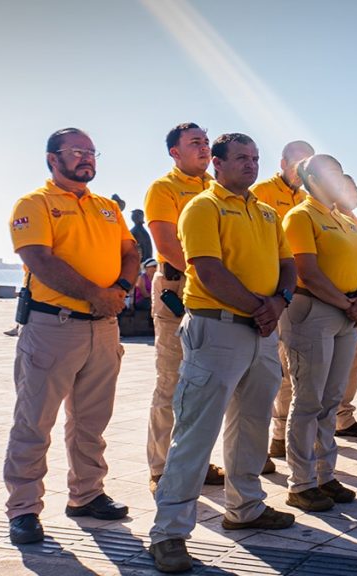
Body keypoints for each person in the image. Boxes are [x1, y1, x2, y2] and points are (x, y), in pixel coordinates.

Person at [149, 133, 297, 572]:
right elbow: (207, 269)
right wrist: (261, 306)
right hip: (217, 329)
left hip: (262, 333)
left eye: (255, 158)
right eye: (241, 158)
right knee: (195, 431)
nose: (251, 165)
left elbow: (287, 264)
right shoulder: (203, 207)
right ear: (217, 163)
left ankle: (245, 506)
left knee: (251, 425)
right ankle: (169, 533)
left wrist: (279, 302)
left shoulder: (267, 212)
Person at [5, 127, 138, 545]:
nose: (87, 159)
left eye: (91, 152)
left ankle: (86, 495)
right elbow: (39, 260)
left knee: (91, 421)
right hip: (53, 327)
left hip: (103, 328)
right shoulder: (35, 203)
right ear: (52, 158)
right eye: (76, 152)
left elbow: (131, 252)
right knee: (34, 422)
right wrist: (95, 294)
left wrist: (120, 291)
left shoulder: (107, 208)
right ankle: (24, 509)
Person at [282, 155, 357, 511]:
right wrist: (346, 303)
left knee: (331, 400)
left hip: (346, 315)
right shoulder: (300, 216)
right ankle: (301, 482)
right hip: (314, 311)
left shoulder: (347, 222)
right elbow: (308, 271)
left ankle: (325, 475)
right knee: (308, 400)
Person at [144, 122, 224, 494]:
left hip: (216, 292)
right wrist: (207, 276)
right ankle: (161, 468)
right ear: (175, 152)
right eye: (195, 143)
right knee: (171, 381)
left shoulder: (216, 188)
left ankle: (197, 461)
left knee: (205, 385)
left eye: (206, 142)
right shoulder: (164, 188)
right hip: (179, 286)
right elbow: (166, 243)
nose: (204, 147)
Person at [250, 140, 316, 464]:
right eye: (298, 163)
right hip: (269, 293)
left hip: (295, 294)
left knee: (289, 374)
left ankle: (278, 438)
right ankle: (257, 448)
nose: (303, 170)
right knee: (265, 376)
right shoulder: (261, 192)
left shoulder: (305, 200)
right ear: (283, 162)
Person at [333, 175, 357, 439]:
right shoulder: (330, 218)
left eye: (356, 188)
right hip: (336, 303)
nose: (354, 193)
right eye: (348, 188)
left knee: (354, 361)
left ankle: (343, 415)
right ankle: (334, 416)